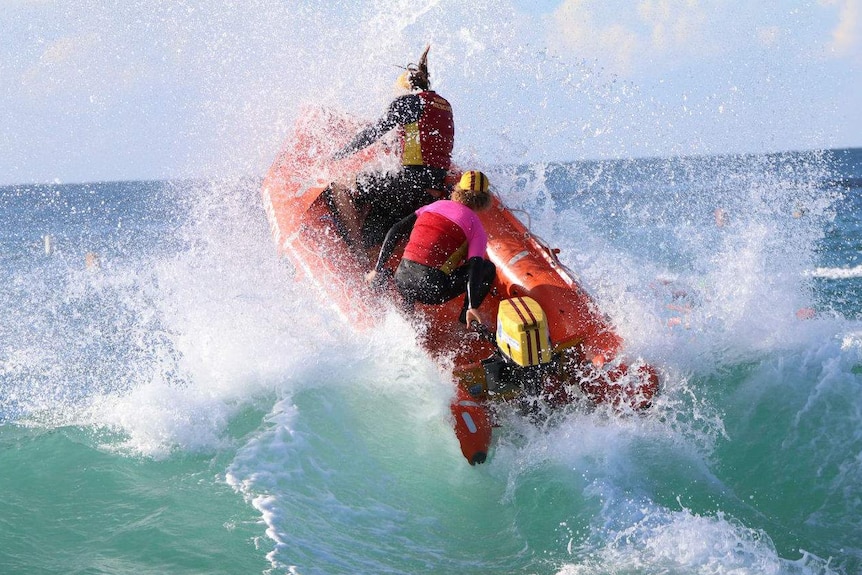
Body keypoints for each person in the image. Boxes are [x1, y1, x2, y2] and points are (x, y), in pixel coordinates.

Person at [330, 44, 455, 251]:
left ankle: (357, 252)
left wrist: (337, 156)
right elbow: (424, 142)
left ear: (405, 90)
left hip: (408, 185)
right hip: (433, 189)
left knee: (340, 185)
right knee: (377, 222)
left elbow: (371, 134)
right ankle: (371, 257)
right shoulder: (443, 105)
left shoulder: (408, 103)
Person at [365, 170, 497, 328]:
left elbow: (395, 230)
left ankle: (407, 312)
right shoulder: (476, 227)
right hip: (431, 291)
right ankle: (464, 320)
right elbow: (475, 267)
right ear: (485, 201)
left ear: (457, 191)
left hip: (401, 280)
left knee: (417, 264)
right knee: (487, 268)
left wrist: (377, 268)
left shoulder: (433, 206)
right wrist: (472, 305)